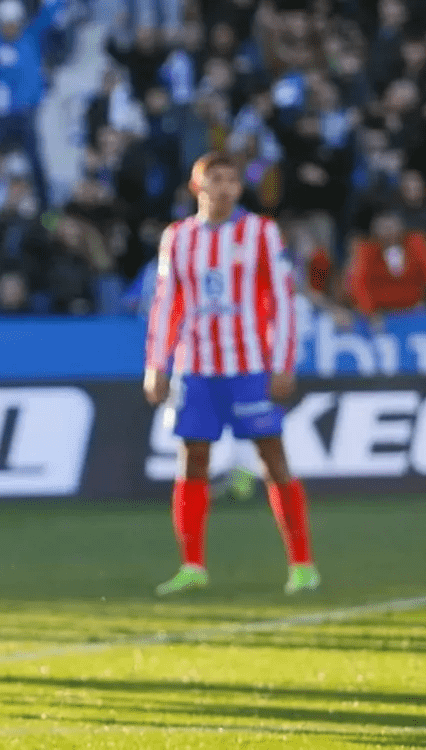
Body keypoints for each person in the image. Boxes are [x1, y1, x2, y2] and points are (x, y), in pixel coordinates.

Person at [145, 152, 319, 597]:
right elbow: (168, 304)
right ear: (196, 187)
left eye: (231, 180)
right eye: (214, 179)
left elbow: (282, 300)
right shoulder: (178, 238)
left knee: (272, 459)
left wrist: (283, 363)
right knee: (193, 461)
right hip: (197, 369)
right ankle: (192, 565)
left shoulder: (260, 232)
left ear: (239, 188)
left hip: (249, 366)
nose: (223, 187)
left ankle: (302, 564)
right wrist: (157, 363)